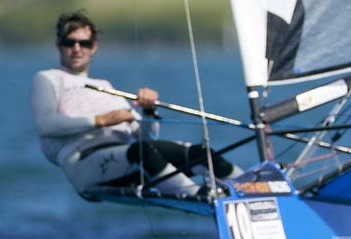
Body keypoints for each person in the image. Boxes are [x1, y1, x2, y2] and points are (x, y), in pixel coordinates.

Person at [30, 10, 236, 196]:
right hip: (83, 161)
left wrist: (148, 112)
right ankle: (201, 196)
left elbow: (147, 137)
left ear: (94, 47)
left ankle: (254, 187)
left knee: (201, 154)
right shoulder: (48, 78)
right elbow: (45, 125)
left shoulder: (105, 86)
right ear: (59, 45)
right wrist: (103, 119)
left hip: (129, 157)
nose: (77, 49)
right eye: (69, 43)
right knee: (142, 153)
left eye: (84, 43)